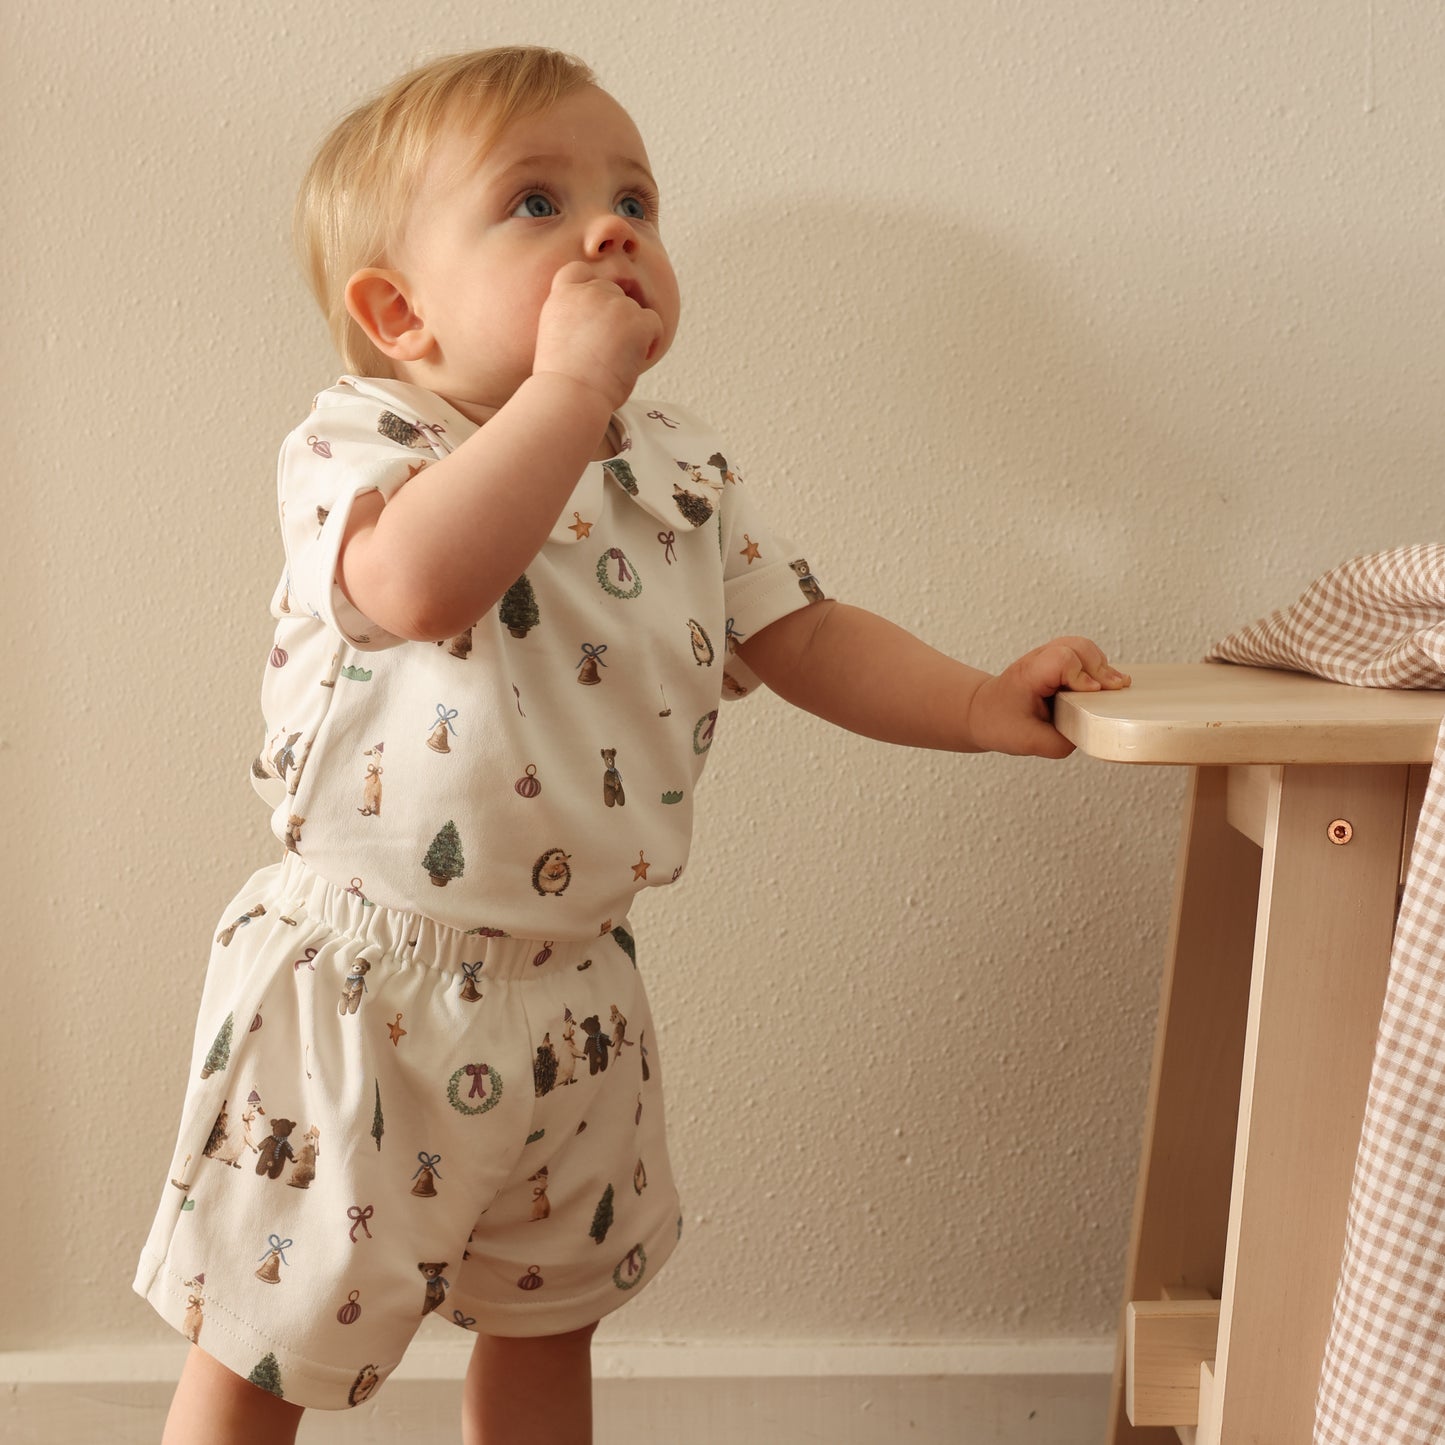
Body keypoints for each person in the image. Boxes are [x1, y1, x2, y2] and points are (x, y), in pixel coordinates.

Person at [134, 45, 1130, 1445]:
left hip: (576, 993)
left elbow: (805, 633)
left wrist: (975, 701)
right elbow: (421, 585)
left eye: (635, 199)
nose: (611, 229)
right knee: (265, 1332)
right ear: (397, 312)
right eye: (535, 202)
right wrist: (560, 398)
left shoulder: (673, 467)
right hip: (366, 990)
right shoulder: (363, 442)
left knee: (549, 1315)